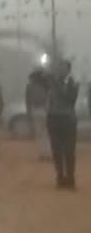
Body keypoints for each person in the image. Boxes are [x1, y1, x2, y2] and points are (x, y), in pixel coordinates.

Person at [47, 60, 79, 189]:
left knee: (69, 151)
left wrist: (58, 84)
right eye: (58, 68)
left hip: (68, 120)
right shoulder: (51, 83)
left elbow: (70, 99)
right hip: (54, 119)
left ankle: (70, 178)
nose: (60, 70)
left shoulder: (73, 83)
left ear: (68, 70)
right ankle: (60, 177)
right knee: (56, 151)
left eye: (63, 68)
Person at [26, 68, 51, 161]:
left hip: (41, 109)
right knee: (43, 133)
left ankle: (44, 153)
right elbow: (28, 100)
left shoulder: (33, 86)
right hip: (40, 109)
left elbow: (28, 100)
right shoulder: (45, 86)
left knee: (41, 133)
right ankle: (45, 153)